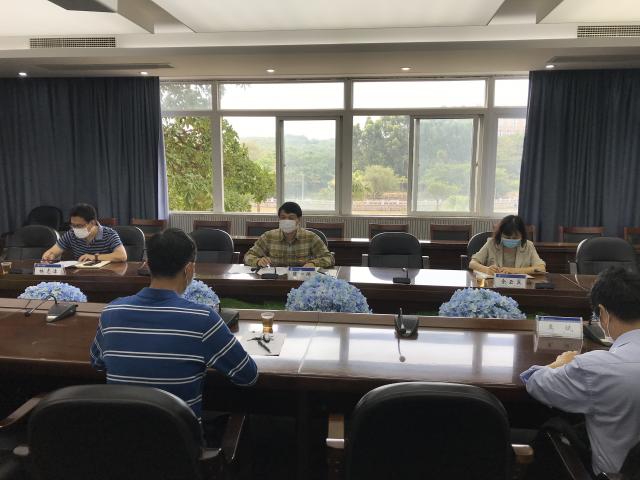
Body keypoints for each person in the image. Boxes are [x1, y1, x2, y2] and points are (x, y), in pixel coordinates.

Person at [90, 228, 258, 423]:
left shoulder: (111, 312)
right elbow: (248, 376)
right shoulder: (203, 318)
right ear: (189, 269)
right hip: (181, 440)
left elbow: (97, 363)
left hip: (122, 436)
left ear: (148, 265)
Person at [520, 267, 640, 475]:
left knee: (554, 428)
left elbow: (535, 382)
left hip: (615, 476)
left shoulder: (595, 368)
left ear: (603, 314)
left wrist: (559, 363)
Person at [244, 201, 334, 268]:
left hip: (302, 281)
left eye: (291, 218)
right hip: (275, 281)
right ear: (279, 219)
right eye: (283, 217)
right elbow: (248, 256)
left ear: (299, 219)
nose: (286, 221)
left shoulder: (311, 237)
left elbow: (329, 258)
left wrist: (313, 263)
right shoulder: (268, 237)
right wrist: (258, 261)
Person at [41, 203, 127, 263]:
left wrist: (94, 257)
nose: (75, 229)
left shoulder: (109, 234)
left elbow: (122, 256)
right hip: (81, 276)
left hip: (106, 276)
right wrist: (49, 256)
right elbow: (53, 251)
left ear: (92, 223)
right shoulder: (71, 234)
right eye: (73, 225)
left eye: (79, 226)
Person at [468, 215, 545, 275]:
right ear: (500, 234)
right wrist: (486, 269)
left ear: (522, 236)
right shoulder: (491, 243)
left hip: (520, 286)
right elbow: (472, 263)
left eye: (515, 238)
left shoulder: (528, 245)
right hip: (493, 285)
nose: (511, 240)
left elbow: (541, 268)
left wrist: (513, 271)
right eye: (507, 237)